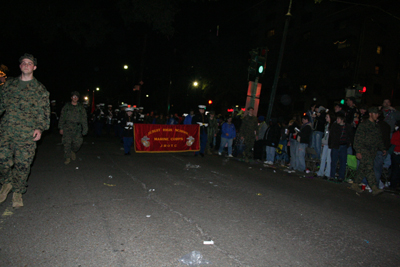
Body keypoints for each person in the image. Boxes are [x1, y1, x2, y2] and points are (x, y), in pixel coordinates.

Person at [0, 53, 50, 208]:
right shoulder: (9, 85)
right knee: (2, 161)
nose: (26, 65)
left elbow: (44, 113)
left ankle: (18, 192)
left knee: (23, 165)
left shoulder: (40, 89)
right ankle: (7, 183)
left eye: (30, 63)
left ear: (34, 67)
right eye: (23, 63)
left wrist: (40, 128)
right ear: (20, 66)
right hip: (6, 131)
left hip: (27, 134)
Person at [352, 107, 386, 195]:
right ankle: (374, 187)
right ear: (370, 114)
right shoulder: (364, 125)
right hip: (364, 149)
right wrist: (358, 150)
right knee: (369, 168)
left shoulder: (376, 126)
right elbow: (358, 138)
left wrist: (382, 148)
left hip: (373, 151)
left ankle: (355, 183)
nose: (377, 115)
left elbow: (379, 139)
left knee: (363, 168)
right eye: (375, 113)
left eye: (378, 114)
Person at [59, 91, 88, 165]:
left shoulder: (81, 108)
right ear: (71, 98)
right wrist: (61, 127)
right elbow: (62, 117)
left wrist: (85, 129)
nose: (75, 98)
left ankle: (73, 151)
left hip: (77, 128)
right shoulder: (67, 107)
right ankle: (67, 157)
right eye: (74, 97)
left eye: (76, 97)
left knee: (78, 143)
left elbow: (84, 119)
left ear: (78, 98)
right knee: (67, 143)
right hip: (67, 127)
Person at [328, 112, 353, 182]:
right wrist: (331, 144)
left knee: (343, 162)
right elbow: (331, 136)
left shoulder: (347, 127)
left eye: (338, 119)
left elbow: (350, 135)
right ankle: (332, 176)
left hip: (343, 146)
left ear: (342, 120)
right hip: (335, 146)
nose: (337, 120)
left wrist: (349, 143)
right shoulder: (334, 126)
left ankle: (341, 177)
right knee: (334, 162)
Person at [316, 111, 335, 178]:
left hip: (329, 144)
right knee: (323, 158)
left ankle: (327, 173)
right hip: (325, 143)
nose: (326, 118)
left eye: (327, 117)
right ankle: (321, 172)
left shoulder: (333, 125)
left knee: (328, 159)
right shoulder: (327, 125)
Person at [389, 121, 400, 190]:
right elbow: (392, 141)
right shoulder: (397, 133)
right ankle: (393, 185)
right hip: (396, 153)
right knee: (395, 169)